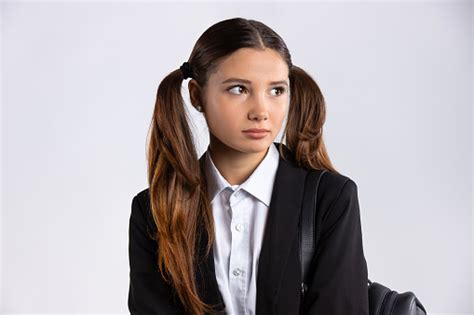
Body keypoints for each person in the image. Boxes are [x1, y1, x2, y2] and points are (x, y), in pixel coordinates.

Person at [128, 17, 369, 315]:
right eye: (239, 89)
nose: (261, 111)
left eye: (276, 91)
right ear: (196, 95)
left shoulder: (330, 198)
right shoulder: (154, 210)